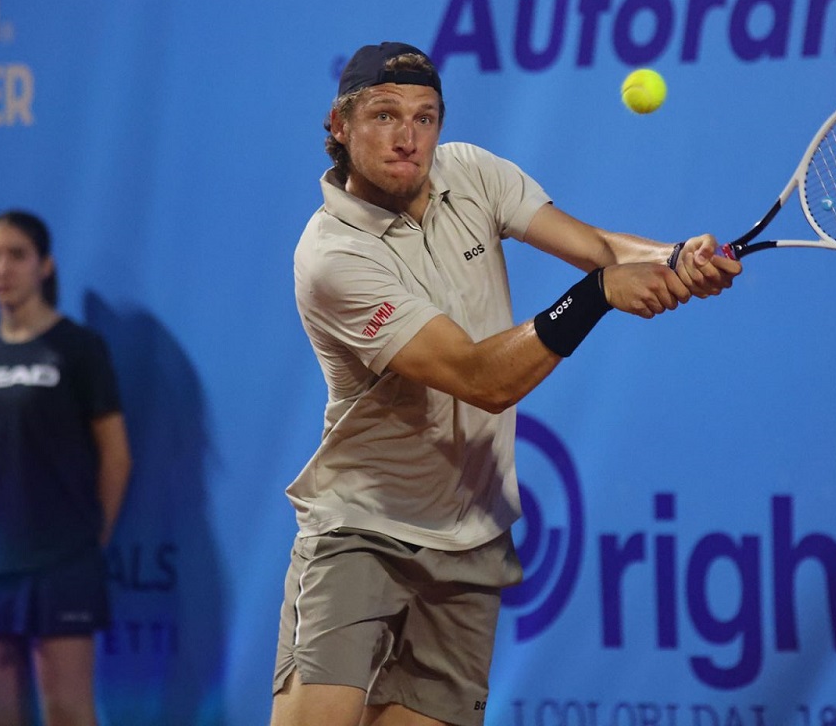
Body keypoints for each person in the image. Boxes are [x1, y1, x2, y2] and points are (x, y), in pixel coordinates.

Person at [270, 41, 742, 726]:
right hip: (363, 526)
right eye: (384, 115)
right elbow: (479, 378)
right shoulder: (333, 256)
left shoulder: (470, 171)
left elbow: (599, 249)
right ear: (339, 126)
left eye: (425, 117)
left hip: (471, 534)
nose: (408, 138)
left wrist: (676, 258)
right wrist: (598, 294)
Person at [0, 211, 132, 726]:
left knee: (68, 713)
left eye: (17, 255)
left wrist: (90, 539)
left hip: (64, 558)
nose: (2, 268)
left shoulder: (79, 348)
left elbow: (116, 455)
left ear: (45, 265)